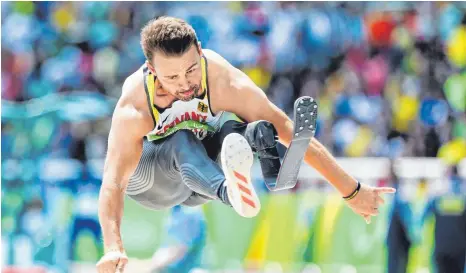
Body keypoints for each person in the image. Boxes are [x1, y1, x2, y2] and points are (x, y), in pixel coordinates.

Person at [96, 16, 395, 273]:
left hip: (200, 180)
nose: (185, 84)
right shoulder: (135, 108)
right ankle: (232, 193)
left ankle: (258, 147)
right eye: (171, 77)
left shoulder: (225, 82)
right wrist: (113, 247)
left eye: (190, 70)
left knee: (236, 128)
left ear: (200, 52)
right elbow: (112, 183)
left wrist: (351, 190)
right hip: (152, 183)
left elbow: (291, 131)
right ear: (151, 69)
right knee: (182, 138)